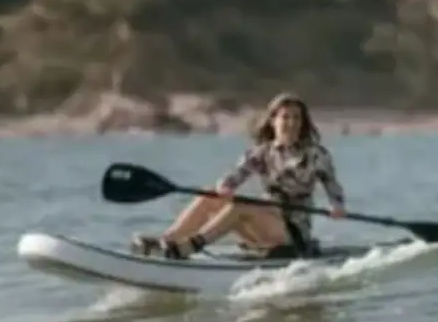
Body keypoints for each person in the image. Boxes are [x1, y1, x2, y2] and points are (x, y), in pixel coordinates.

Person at [130, 92, 347, 260]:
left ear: (303, 122)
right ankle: (167, 240)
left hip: (292, 233)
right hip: (264, 223)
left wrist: (337, 206)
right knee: (210, 194)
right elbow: (237, 174)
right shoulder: (262, 152)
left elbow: (333, 187)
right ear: (273, 120)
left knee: (241, 205)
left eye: (297, 118)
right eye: (285, 117)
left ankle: (191, 246)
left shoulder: (316, 154)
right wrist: (225, 185)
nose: (291, 123)